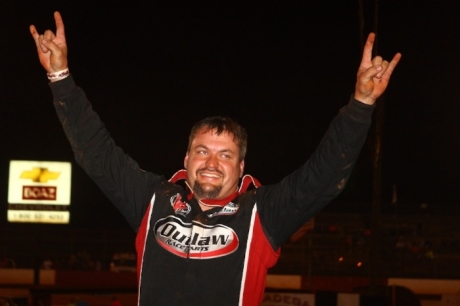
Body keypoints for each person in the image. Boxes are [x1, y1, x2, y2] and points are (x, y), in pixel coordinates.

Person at [30, 11, 400, 306]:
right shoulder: (152, 199)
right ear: (186, 157)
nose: (211, 162)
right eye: (203, 151)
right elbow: (96, 153)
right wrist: (60, 77)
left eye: (225, 155)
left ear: (241, 168)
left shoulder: (263, 214)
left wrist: (361, 105)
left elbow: (325, 176)